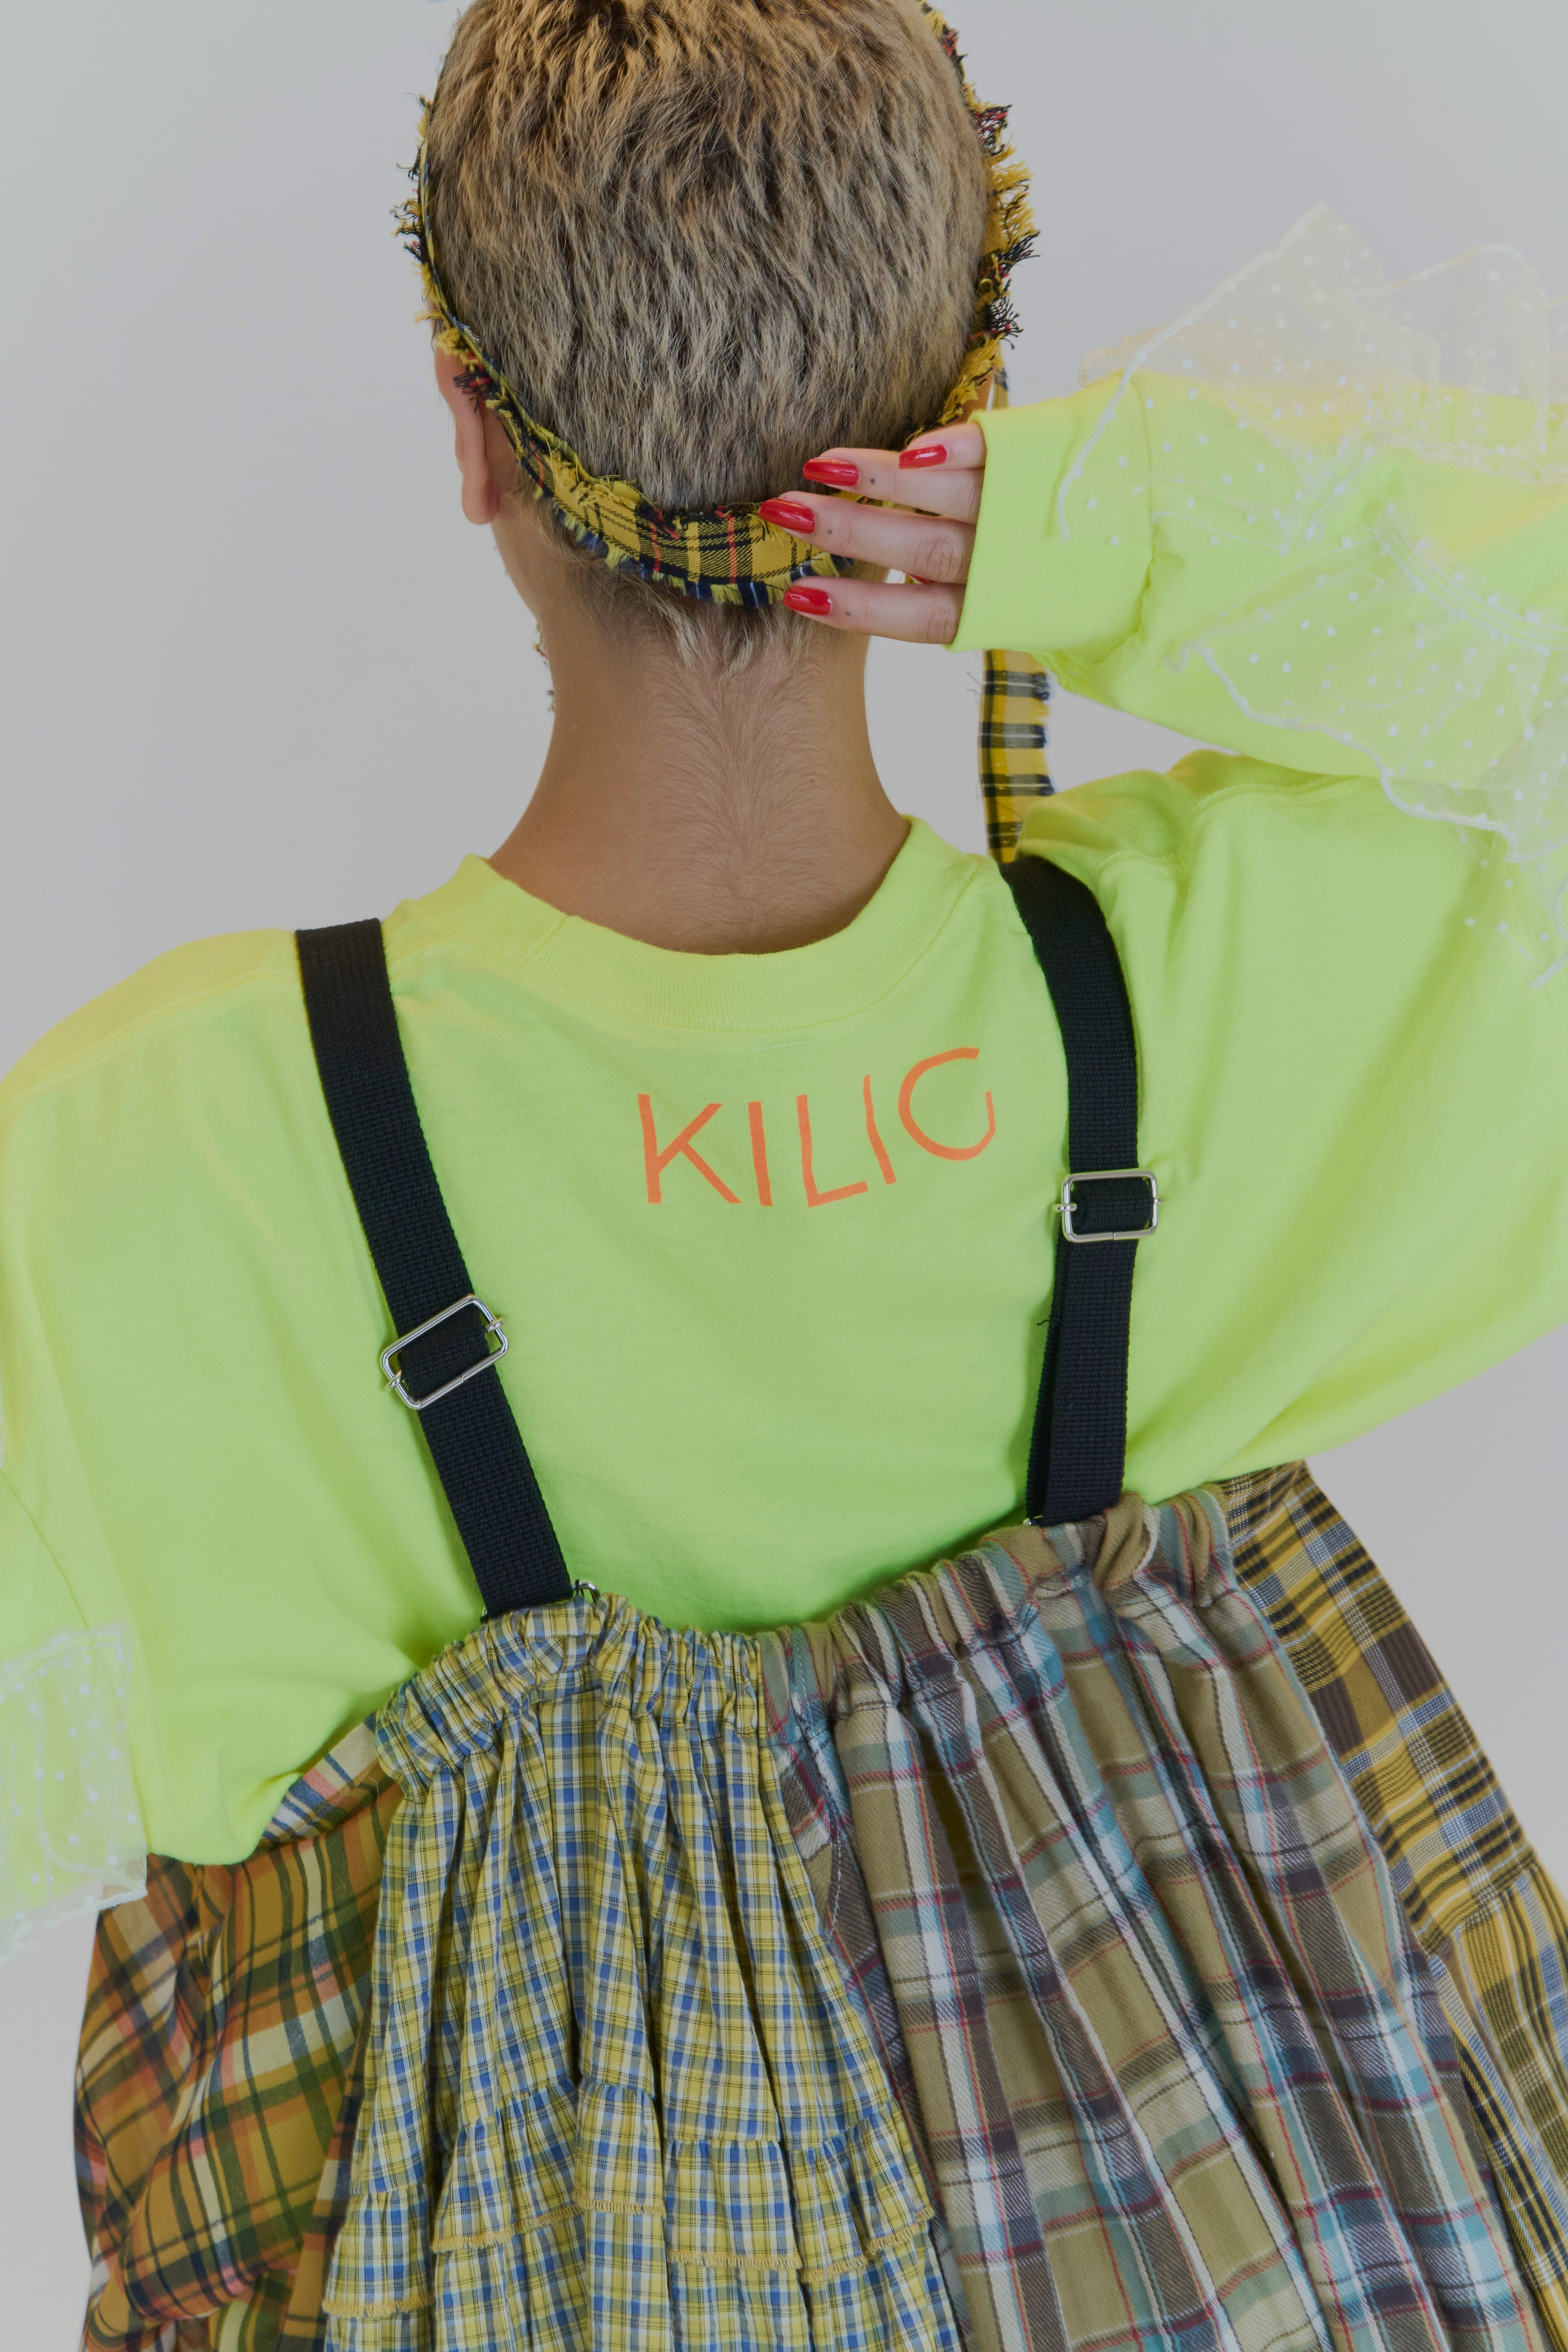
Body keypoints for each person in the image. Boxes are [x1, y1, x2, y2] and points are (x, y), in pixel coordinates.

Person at [5, 2, 1567, 2345]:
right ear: (963, 406)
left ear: (469, 431)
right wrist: (1100, 535)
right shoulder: (1230, 1003)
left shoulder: (154, 1164)